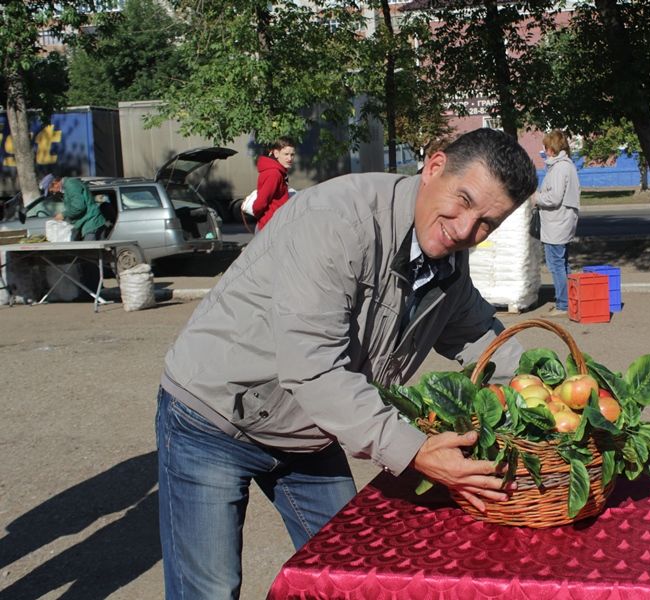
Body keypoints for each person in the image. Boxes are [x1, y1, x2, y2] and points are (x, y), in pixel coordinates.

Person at [156, 128, 538, 598]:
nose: (465, 230)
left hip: (311, 432)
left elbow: (484, 338)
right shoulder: (337, 218)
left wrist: (555, 393)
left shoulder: (448, 267)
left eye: (487, 224)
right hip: (214, 419)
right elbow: (312, 365)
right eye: (463, 201)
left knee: (353, 572)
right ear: (434, 167)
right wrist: (414, 450)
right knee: (209, 590)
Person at [534, 129, 580, 317]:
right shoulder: (564, 166)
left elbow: (553, 197)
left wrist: (535, 197)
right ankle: (569, 300)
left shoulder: (560, 168)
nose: (545, 151)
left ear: (552, 148)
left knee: (556, 265)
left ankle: (563, 304)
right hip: (561, 221)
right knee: (563, 263)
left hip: (557, 223)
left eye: (546, 147)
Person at [251, 137, 296, 231]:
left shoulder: (279, 172)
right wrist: (262, 216)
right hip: (269, 227)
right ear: (276, 153)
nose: (290, 158)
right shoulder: (274, 174)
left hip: (273, 224)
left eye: (292, 155)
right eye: (286, 154)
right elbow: (260, 203)